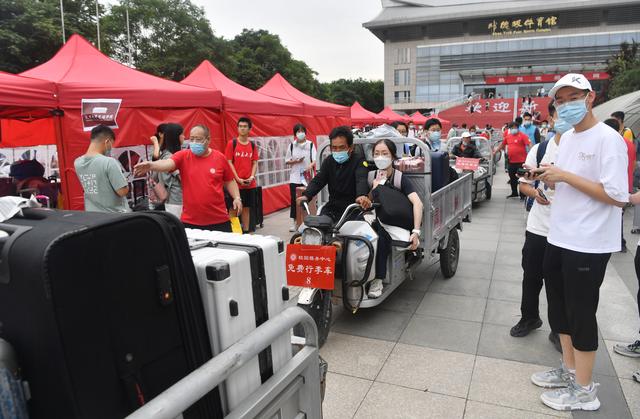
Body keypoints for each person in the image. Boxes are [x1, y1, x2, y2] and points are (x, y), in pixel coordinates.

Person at [530, 74, 628, 412]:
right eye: (561, 99)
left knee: (581, 312)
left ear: (590, 98)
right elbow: (568, 184)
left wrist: (566, 176)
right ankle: (570, 371)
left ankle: (586, 391)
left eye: (574, 96)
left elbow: (617, 196)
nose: (567, 104)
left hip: (589, 242)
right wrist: (548, 178)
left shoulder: (609, 139)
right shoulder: (566, 138)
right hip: (559, 235)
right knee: (559, 308)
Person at [511, 102, 569, 353]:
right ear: (552, 118)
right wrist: (535, 193)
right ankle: (529, 317)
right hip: (538, 226)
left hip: (568, 231)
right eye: (560, 113)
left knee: (560, 282)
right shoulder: (541, 148)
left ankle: (559, 330)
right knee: (531, 276)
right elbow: (523, 185)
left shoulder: (582, 151)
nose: (565, 118)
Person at [134, 124, 242, 232]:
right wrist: (152, 165)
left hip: (219, 219)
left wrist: (237, 197)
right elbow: (167, 163)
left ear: (208, 140)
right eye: (192, 139)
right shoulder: (183, 156)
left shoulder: (219, 158)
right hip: (190, 221)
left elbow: (229, 181)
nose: (194, 142)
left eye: (198, 139)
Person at [367, 139, 422, 298]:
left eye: (385, 154)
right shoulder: (371, 176)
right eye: (376, 154)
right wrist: (375, 189)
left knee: (381, 238)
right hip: (376, 218)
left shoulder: (400, 178)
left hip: (396, 222)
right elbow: (367, 201)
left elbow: (417, 203)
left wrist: (416, 232)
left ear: (392, 157)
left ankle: (378, 279)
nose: (380, 157)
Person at [297, 126, 371, 222]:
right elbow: (319, 180)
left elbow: (361, 179)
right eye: (334, 148)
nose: (337, 151)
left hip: (353, 209)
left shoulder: (359, 161)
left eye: (342, 147)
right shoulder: (329, 161)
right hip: (332, 208)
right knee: (316, 228)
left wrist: (361, 195)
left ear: (351, 147)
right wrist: (306, 195)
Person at [74, 125, 130, 213]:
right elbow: (122, 191)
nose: (111, 148)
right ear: (107, 141)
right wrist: (124, 181)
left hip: (93, 214)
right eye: (111, 144)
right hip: (114, 217)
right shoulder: (109, 162)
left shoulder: (77, 162)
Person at [226, 117, 259, 233]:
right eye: (240, 126)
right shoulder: (232, 143)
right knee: (233, 209)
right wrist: (237, 178)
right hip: (235, 184)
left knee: (247, 209)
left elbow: (254, 162)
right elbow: (229, 162)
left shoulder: (253, 145)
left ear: (249, 129)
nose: (242, 128)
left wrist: (251, 177)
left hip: (250, 184)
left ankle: (246, 232)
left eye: (245, 126)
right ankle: (235, 232)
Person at [285, 123, 316, 232]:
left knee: (308, 198)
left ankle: (308, 221)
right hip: (295, 177)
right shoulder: (292, 146)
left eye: (302, 131)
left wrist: (310, 166)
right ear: (295, 134)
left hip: (307, 177)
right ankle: (295, 222)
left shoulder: (311, 144)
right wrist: (296, 161)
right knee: (295, 200)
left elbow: (315, 159)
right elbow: (287, 161)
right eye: (298, 132)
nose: (300, 133)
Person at [493, 121, 531, 199]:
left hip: (521, 162)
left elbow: (529, 144)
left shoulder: (523, 136)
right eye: (512, 128)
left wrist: (532, 153)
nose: (514, 129)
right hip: (511, 161)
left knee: (521, 178)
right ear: (510, 129)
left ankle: (523, 195)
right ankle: (514, 193)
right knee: (512, 177)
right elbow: (502, 145)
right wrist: (495, 152)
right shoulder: (508, 136)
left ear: (518, 128)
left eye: (515, 128)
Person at [154, 123, 184, 218]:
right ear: (176, 137)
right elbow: (183, 178)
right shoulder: (171, 157)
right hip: (176, 200)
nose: (184, 137)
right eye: (182, 134)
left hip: (173, 200)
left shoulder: (165, 154)